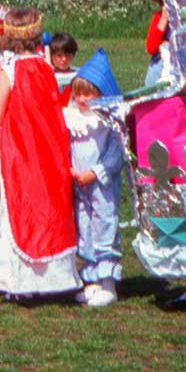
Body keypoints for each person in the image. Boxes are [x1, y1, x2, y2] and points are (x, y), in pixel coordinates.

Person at [0, 7, 79, 301]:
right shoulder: (45, 67)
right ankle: (55, 279)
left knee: (18, 208)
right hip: (48, 150)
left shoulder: (10, 69)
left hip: (19, 150)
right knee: (47, 205)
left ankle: (19, 283)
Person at [65, 50, 124, 308]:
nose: (82, 99)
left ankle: (108, 282)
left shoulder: (109, 122)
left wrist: (95, 173)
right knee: (85, 226)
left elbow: (115, 156)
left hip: (102, 186)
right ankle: (91, 279)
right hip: (80, 185)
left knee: (104, 225)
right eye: (78, 93)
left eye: (88, 94)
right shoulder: (73, 118)